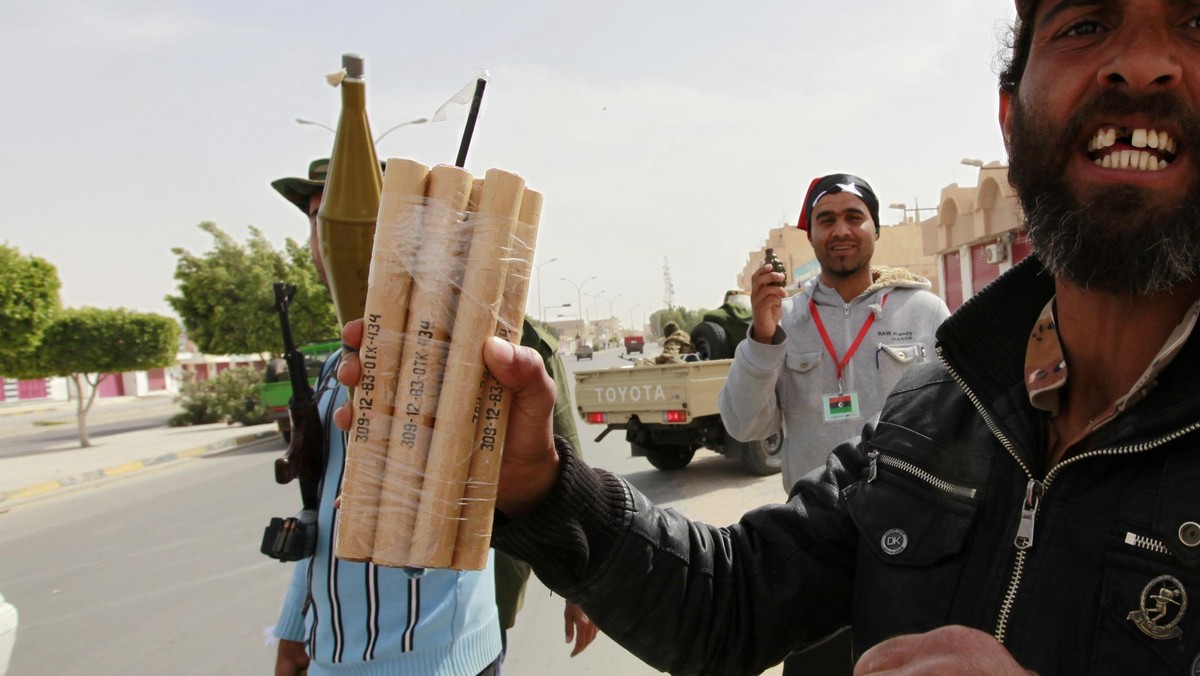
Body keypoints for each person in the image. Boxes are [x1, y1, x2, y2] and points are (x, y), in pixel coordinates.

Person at [337, 0, 1200, 671]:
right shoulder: (944, 411)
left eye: (1196, 22)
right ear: (1011, 119)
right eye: (1088, 23)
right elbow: (732, 596)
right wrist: (540, 486)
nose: (1144, 64)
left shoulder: (924, 324)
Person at [269, 159, 595, 675]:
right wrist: (294, 628)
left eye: (355, 220)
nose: (328, 237)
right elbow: (328, 512)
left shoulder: (475, 348)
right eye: (317, 221)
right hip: (334, 657)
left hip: (446, 657)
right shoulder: (340, 366)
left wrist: (583, 578)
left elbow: (556, 459)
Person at [719, 173, 949, 493]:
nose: (841, 230)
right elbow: (743, 426)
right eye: (826, 220)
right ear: (811, 236)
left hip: (905, 509)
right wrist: (762, 340)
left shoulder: (925, 311)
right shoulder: (782, 320)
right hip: (813, 520)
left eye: (854, 217)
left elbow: (956, 418)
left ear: (876, 229)